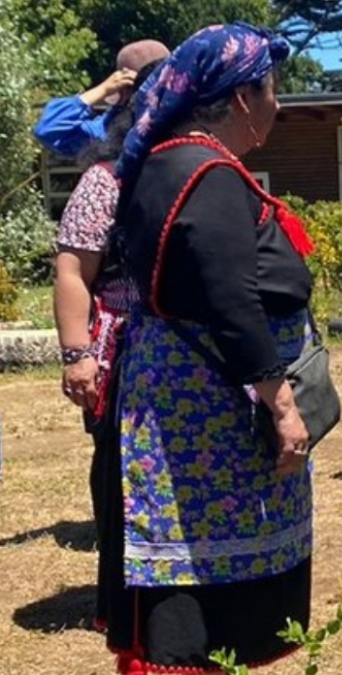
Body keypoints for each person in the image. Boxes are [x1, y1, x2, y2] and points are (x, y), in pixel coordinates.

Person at [105, 23, 314, 672]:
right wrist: (282, 405)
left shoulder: (164, 163)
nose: (278, 104)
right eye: (273, 90)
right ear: (244, 97)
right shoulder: (206, 173)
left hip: (174, 397)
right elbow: (232, 300)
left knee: (188, 551)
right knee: (200, 563)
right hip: (208, 409)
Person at [51, 59, 161, 634]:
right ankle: (117, 603)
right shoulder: (105, 178)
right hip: (118, 343)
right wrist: (77, 354)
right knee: (116, 472)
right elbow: (72, 269)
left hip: (179, 347)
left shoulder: (184, 169)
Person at [34, 40, 170, 158]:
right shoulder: (108, 129)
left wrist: (105, 90)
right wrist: (103, 89)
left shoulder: (106, 131)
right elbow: (47, 128)